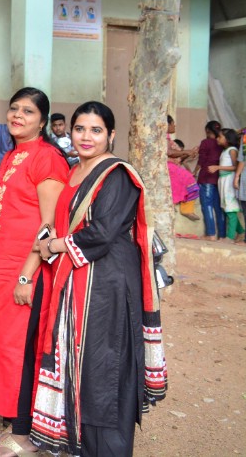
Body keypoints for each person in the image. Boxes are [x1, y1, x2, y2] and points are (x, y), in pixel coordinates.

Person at [30, 101, 169, 456]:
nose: (86, 136)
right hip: (76, 282)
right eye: (80, 129)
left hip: (105, 286)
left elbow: (103, 232)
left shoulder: (117, 174)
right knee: (80, 367)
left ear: (111, 135)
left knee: (104, 369)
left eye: (95, 130)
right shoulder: (74, 170)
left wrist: (56, 245)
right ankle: (81, 444)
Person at [0, 87, 68, 457]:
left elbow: (49, 226)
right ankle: (16, 423)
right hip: (0, 269)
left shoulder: (47, 158)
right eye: (14, 109)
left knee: (22, 351)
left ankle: (25, 437)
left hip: (24, 271)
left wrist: (28, 274)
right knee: (3, 348)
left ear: (42, 120)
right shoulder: (13, 153)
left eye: (28, 111)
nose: (18, 116)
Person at [194, 120, 225, 241]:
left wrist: (194, 172)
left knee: (207, 206)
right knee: (219, 207)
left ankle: (211, 234)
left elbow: (201, 161)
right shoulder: (223, 144)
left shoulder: (205, 142)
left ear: (207, 130)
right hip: (220, 179)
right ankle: (222, 235)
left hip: (206, 177)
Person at [213, 128, 242, 241]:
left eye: (220, 137)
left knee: (231, 209)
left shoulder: (232, 150)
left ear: (228, 139)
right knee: (227, 208)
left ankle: (229, 238)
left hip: (229, 181)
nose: (217, 139)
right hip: (223, 181)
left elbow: (236, 166)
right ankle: (241, 231)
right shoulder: (225, 150)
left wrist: (218, 167)